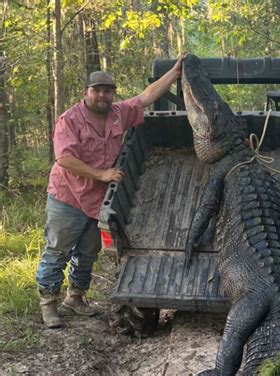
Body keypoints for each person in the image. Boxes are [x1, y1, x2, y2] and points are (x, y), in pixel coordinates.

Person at [36, 57, 183, 328]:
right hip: (67, 196)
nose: (102, 95)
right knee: (57, 250)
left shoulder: (118, 113)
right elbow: (65, 159)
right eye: (97, 90)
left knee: (88, 251)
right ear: (86, 92)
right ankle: (49, 304)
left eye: (107, 91)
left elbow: (145, 97)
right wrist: (101, 174)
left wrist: (174, 74)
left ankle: (75, 297)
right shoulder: (69, 120)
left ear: (113, 93)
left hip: (97, 199)